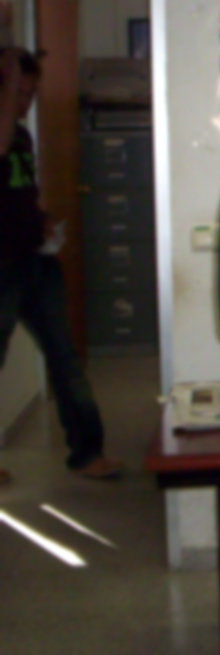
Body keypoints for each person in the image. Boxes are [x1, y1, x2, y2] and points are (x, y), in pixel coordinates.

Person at [0, 46, 123, 484]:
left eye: (31, 92)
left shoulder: (22, 136)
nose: (25, 102)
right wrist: (8, 69)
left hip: (35, 262)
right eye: (19, 92)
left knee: (66, 361)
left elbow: (19, 194)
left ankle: (88, 453)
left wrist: (43, 220)